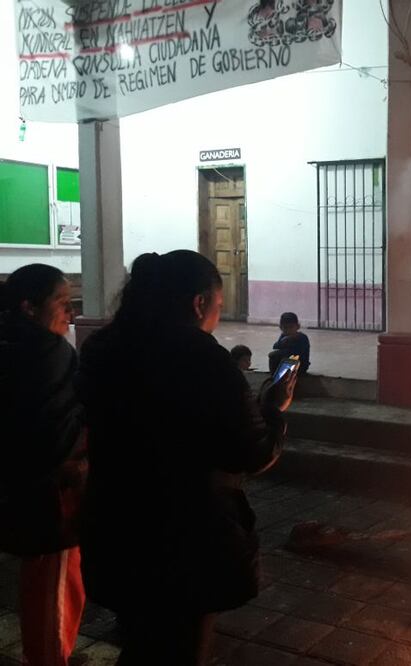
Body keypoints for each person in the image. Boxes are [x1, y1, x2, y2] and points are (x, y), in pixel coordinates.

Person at [76, 251, 297, 665]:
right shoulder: (205, 359)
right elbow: (252, 452)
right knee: (180, 647)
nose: (216, 316)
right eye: (216, 306)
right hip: (186, 538)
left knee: (142, 641)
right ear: (199, 304)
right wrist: (273, 410)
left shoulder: (101, 349)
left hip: (114, 523)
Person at [0, 264, 86, 666]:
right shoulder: (49, 352)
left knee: (37, 585)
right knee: (55, 592)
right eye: (63, 304)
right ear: (29, 307)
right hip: (50, 499)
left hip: (15, 491)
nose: (71, 314)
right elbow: (57, 433)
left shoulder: (9, 346)